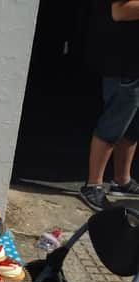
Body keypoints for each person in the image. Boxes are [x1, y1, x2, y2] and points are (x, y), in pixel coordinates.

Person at [79, 0, 139, 211]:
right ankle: (93, 184)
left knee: (132, 127)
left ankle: (121, 181)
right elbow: (119, 11)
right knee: (113, 123)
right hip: (124, 62)